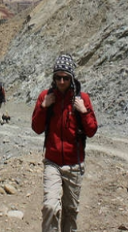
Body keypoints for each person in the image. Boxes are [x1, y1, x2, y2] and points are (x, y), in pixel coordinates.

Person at [31, 54, 98, 232]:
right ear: (53, 78)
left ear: (72, 78)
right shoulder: (45, 97)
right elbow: (37, 128)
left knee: (70, 211)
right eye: (58, 77)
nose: (61, 82)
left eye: (65, 78)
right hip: (52, 163)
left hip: (74, 164)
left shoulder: (82, 99)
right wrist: (43, 107)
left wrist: (83, 111)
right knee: (50, 207)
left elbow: (91, 131)